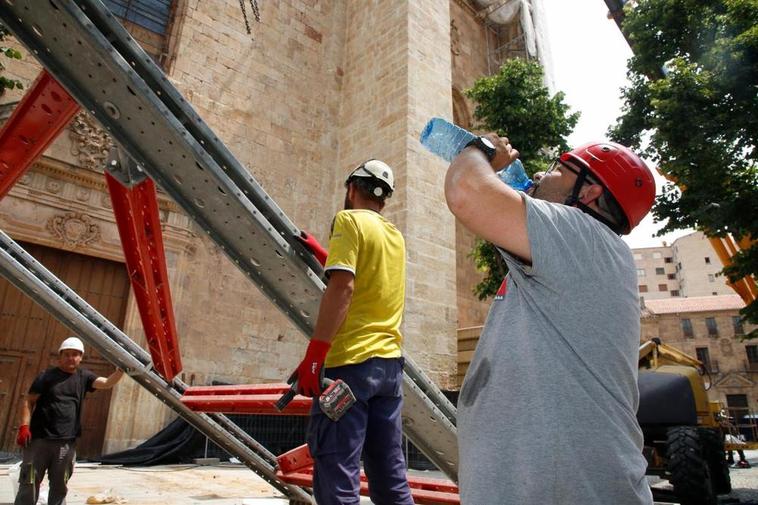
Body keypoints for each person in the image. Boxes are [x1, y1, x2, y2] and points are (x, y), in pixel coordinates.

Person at [445, 135, 656, 504]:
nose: (543, 175)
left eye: (559, 169)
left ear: (588, 193)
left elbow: (467, 191)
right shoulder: (581, 250)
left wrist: (479, 149)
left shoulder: (581, 236)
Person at [292, 159, 414, 505]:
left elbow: (344, 287)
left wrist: (315, 356)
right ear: (384, 199)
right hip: (389, 370)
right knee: (390, 473)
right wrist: (324, 255)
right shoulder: (395, 237)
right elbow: (370, 277)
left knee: (337, 474)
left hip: (349, 369)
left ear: (351, 189)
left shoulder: (347, 220)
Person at [15, 336, 125, 505]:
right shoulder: (46, 376)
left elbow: (106, 383)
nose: (71, 358)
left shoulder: (84, 377)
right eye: (67, 354)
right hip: (39, 441)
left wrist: (121, 370)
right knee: (29, 482)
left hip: (66, 444)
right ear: (60, 356)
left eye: (75, 354)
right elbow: (28, 401)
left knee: (59, 485)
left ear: (81, 357)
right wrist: (24, 427)